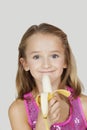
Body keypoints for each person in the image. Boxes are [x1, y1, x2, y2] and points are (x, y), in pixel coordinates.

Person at [8, 23, 87, 130]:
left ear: (65, 61)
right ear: (25, 64)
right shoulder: (19, 110)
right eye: (36, 57)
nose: (46, 64)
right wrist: (42, 124)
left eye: (54, 56)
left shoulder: (83, 105)